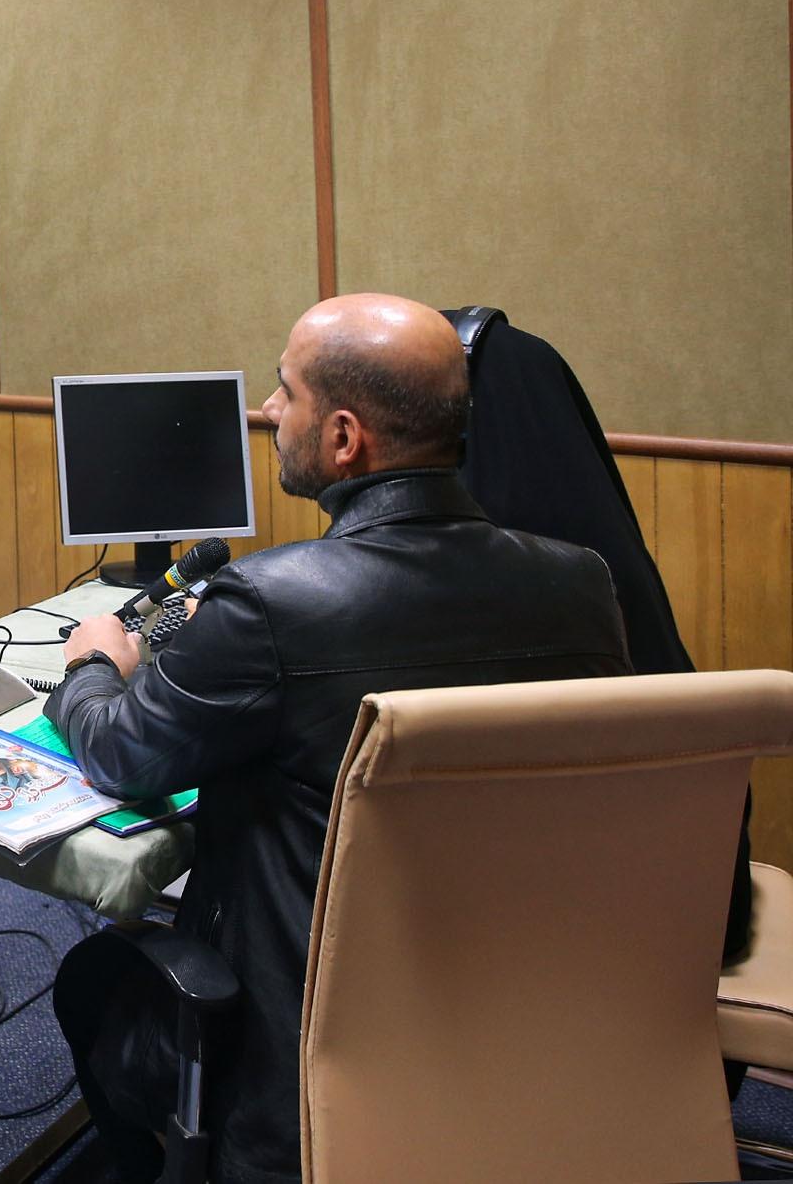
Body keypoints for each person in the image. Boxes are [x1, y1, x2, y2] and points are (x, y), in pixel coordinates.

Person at [47, 293, 633, 1184]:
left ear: (345, 437)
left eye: (286, 392)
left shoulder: (268, 604)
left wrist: (96, 662)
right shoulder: (583, 585)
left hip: (290, 1063)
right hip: (517, 1020)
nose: (269, 410)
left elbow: (122, 754)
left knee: (91, 978)